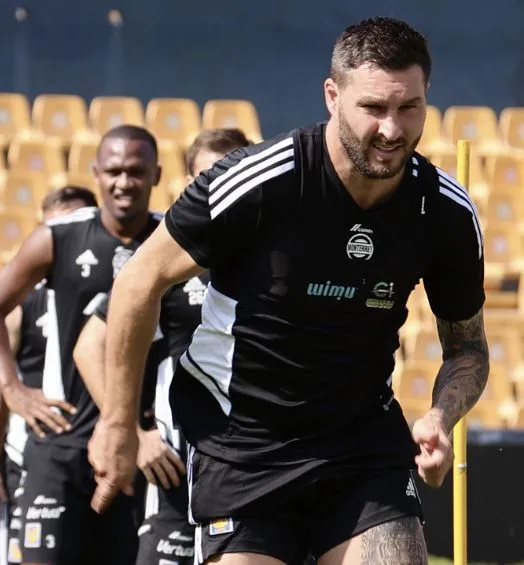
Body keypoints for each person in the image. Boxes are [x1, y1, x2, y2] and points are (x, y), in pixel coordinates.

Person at [90, 17, 488, 565]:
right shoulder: (260, 182)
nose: (392, 129)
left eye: (409, 107)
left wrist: (441, 415)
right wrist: (118, 424)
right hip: (242, 443)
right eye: (373, 107)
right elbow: (138, 281)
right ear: (332, 96)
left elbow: (467, 349)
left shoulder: (443, 211)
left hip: (361, 447)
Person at [0, 125, 164, 565]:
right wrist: (13, 388)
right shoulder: (58, 236)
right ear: (96, 174)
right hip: (61, 442)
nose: (124, 182)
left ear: (156, 174)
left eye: (136, 171)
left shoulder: (169, 241)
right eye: (113, 171)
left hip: (136, 447)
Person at [74, 128, 252, 565]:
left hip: (259, 467)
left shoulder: (280, 258)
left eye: (234, 175)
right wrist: (133, 432)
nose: (223, 188)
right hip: (179, 473)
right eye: (209, 177)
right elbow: (89, 346)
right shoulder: (167, 260)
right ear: (191, 184)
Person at [0, 185, 99, 565]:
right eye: (54, 230)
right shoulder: (23, 303)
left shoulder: (119, 293)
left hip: (104, 452)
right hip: (31, 460)